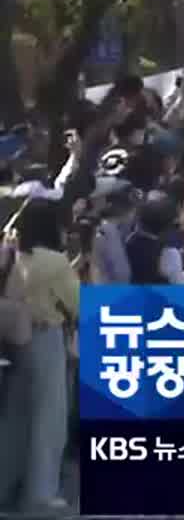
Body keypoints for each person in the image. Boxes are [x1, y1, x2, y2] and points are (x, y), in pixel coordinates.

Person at [0, 198, 80, 514]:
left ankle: (6, 484)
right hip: (45, 339)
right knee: (49, 418)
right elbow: (78, 304)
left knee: (16, 417)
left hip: (14, 340)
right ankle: (40, 495)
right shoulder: (55, 262)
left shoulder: (13, 252)